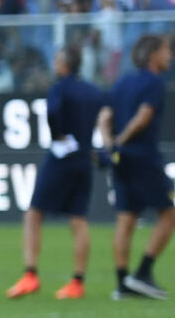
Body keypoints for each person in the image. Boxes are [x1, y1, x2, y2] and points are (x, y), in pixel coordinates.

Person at [10, 46, 108, 300]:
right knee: (79, 219)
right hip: (84, 158)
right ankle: (77, 281)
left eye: (56, 59)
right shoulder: (93, 91)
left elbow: (53, 112)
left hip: (61, 158)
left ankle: (30, 275)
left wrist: (57, 135)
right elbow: (106, 115)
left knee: (34, 214)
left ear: (64, 63)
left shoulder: (60, 88)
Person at [104, 34, 172, 299]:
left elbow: (105, 116)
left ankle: (122, 283)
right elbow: (143, 118)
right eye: (166, 51)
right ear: (153, 55)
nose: (170, 56)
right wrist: (121, 140)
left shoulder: (122, 82)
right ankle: (143, 273)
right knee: (169, 213)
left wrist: (111, 145)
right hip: (144, 156)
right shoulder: (154, 81)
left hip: (122, 160)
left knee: (126, 218)